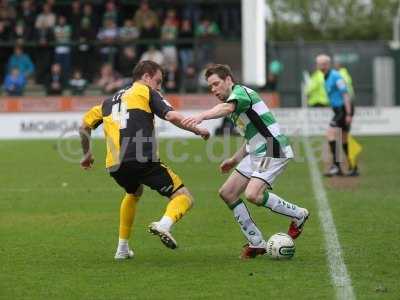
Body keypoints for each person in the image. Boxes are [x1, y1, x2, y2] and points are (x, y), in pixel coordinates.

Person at [79, 60, 210, 260]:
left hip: (115, 165)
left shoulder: (107, 102)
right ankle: (164, 225)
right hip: (141, 158)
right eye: (158, 81)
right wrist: (197, 129)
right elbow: (172, 116)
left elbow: (84, 126)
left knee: (134, 191)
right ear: (146, 77)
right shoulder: (146, 91)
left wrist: (87, 153)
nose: (159, 86)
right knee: (184, 197)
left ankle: (122, 248)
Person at [182, 64, 309, 258]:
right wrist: (234, 159)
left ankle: (298, 214)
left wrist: (202, 116)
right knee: (228, 193)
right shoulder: (234, 106)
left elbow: (226, 107)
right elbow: (250, 136)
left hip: (272, 148)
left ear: (228, 80)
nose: (214, 89)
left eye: (216, 84)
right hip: (257, 151)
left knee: (253, 194)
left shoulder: (241, 93)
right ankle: (256, 242)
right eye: (210, 87)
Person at [316, 54, 358, 176]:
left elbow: (345, 94)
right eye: (319, 64)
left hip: (343, 110)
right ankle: (352, 167)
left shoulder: (336, 76)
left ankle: (336, 166)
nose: (321, 66)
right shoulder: (325, 76)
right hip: (339, 110)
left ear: (328, 64)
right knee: (344, 138)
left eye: (323, 64)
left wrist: (348, 113)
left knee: (330, 134)